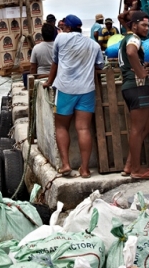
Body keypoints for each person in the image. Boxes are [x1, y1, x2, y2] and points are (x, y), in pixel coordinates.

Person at [42, 14, 104, 178]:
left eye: (63, 26)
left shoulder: (61, 39)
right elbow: (100, 66)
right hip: (87, 90)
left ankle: (66, 164)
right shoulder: (93, 45)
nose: (61, 28)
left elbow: (55, 62)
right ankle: (85, 169)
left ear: (68, 28)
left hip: (65, 89)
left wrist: (49, 81)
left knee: (61, 126)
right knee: (83, 128)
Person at [118, 11, 149, 180]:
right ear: (134, 25)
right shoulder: (134, 39)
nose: (147, 29)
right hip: (137, 87)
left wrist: (143, 65)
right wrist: (141, 72)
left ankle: (129, 165)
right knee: (137, 128)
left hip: (130, 87)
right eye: (144, 25)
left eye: (148, 25)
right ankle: (136, 169)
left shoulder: (126, 38)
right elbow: (131, 53)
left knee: (146, 125)